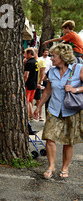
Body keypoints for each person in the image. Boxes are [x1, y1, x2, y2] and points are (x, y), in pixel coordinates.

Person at [33, 43, 83, 180]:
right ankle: (51, 166)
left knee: (69, 141)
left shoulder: (78, 68)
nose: (51, 58)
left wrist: (75, 89)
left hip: (71, 110)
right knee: (49, 138)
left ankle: (65, 167)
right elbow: (48, 91)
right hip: (54, 109)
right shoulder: (52, 71)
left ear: (62, 57)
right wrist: (38, 107)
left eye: (53, 56)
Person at [24, 48, 39, 120]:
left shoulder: (29, 63)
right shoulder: (36, 62)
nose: (24, 55)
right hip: (34, 84)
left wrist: (24, 83)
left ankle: (27, 116)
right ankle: (30, 115)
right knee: (30, 101)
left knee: (26, 101)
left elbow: (26, 75)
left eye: (25, 53)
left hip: (29, 84)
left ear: (29, 54)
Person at [34, 48, 46, 121]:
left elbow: (42, 73)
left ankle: (40, 115)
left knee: (38, 100)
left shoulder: (41, 61)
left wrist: (39, 82)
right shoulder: (29, 61)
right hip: (31, 83)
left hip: (37, 83)